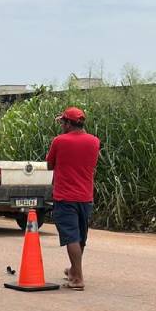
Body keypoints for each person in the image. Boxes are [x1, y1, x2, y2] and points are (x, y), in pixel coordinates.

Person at [45, 107, 100, 291]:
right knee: (80, 238)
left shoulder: (59, 141)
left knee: (71, 237)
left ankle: (78, 279)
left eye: (63, 122)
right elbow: (92, 166)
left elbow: (49, 165)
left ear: (69, 123)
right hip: (85, 197)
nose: (61, 125)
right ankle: (74, 271)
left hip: (65, 196)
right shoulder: (94, 141)